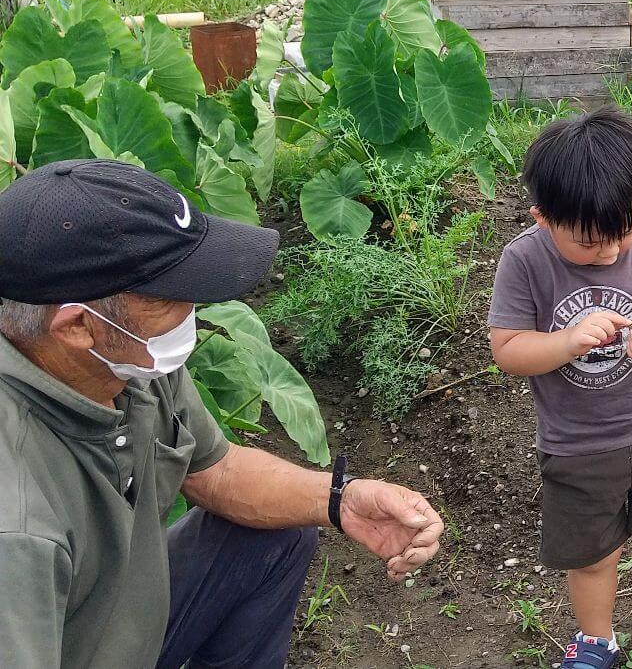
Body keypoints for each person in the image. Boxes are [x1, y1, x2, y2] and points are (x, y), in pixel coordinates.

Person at [0, 159, 445, 669]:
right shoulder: (16, 526)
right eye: (171, 295)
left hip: (122, 621)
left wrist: (343, 500)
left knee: (273, 535)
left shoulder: (123, 362)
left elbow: (218, 470)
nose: (193, 310)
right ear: (78, 326)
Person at [487, 108, 632, 669]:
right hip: (577, 448)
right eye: (592, 243)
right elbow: (507, 350)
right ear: (543, 218)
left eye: (624, 231)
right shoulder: (524, 261)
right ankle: (596, 642)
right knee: (593, 556)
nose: (612, 253)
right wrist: (566, 342)